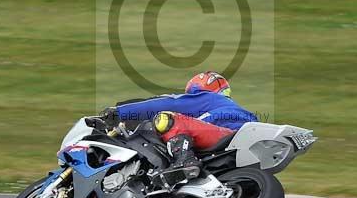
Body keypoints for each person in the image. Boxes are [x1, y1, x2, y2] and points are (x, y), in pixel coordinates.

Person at [102, 71, 258, 186]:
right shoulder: (240, 111)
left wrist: (119, 112)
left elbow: (164, 104)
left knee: (165, 118)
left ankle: (185, 160)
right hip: (243, 152)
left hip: (223, 137)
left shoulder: (207, 98)